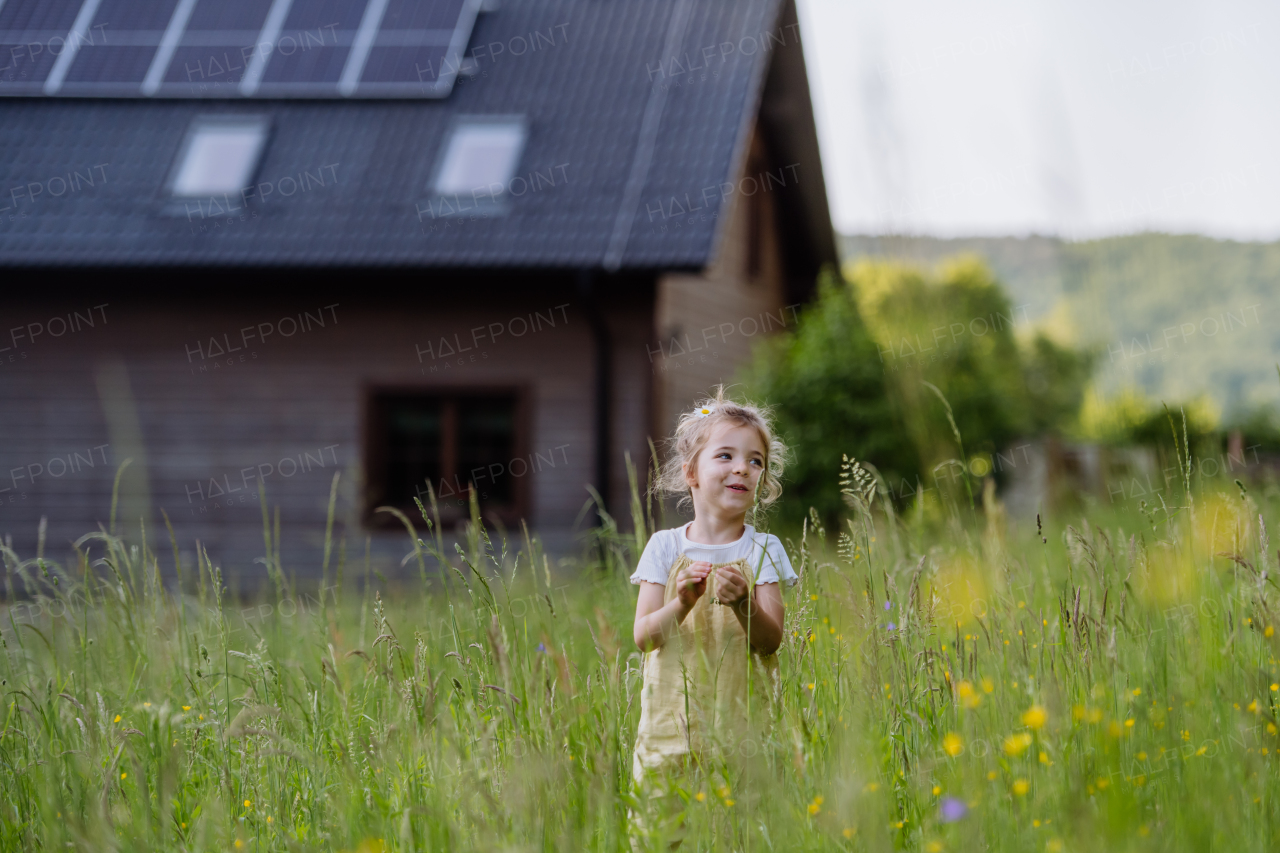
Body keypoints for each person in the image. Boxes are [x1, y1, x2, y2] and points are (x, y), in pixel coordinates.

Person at [627, 386, 799, 849]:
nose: (742, 467)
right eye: (725, 455)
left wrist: (745, 605)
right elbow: (643, 637)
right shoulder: (665, 546)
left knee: (740, 834)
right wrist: (681, 602)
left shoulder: (764, 549)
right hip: (670, 727)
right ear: (691, 473)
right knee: (661, 835)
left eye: (756, 460)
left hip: (744, 730)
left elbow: (770, 642)